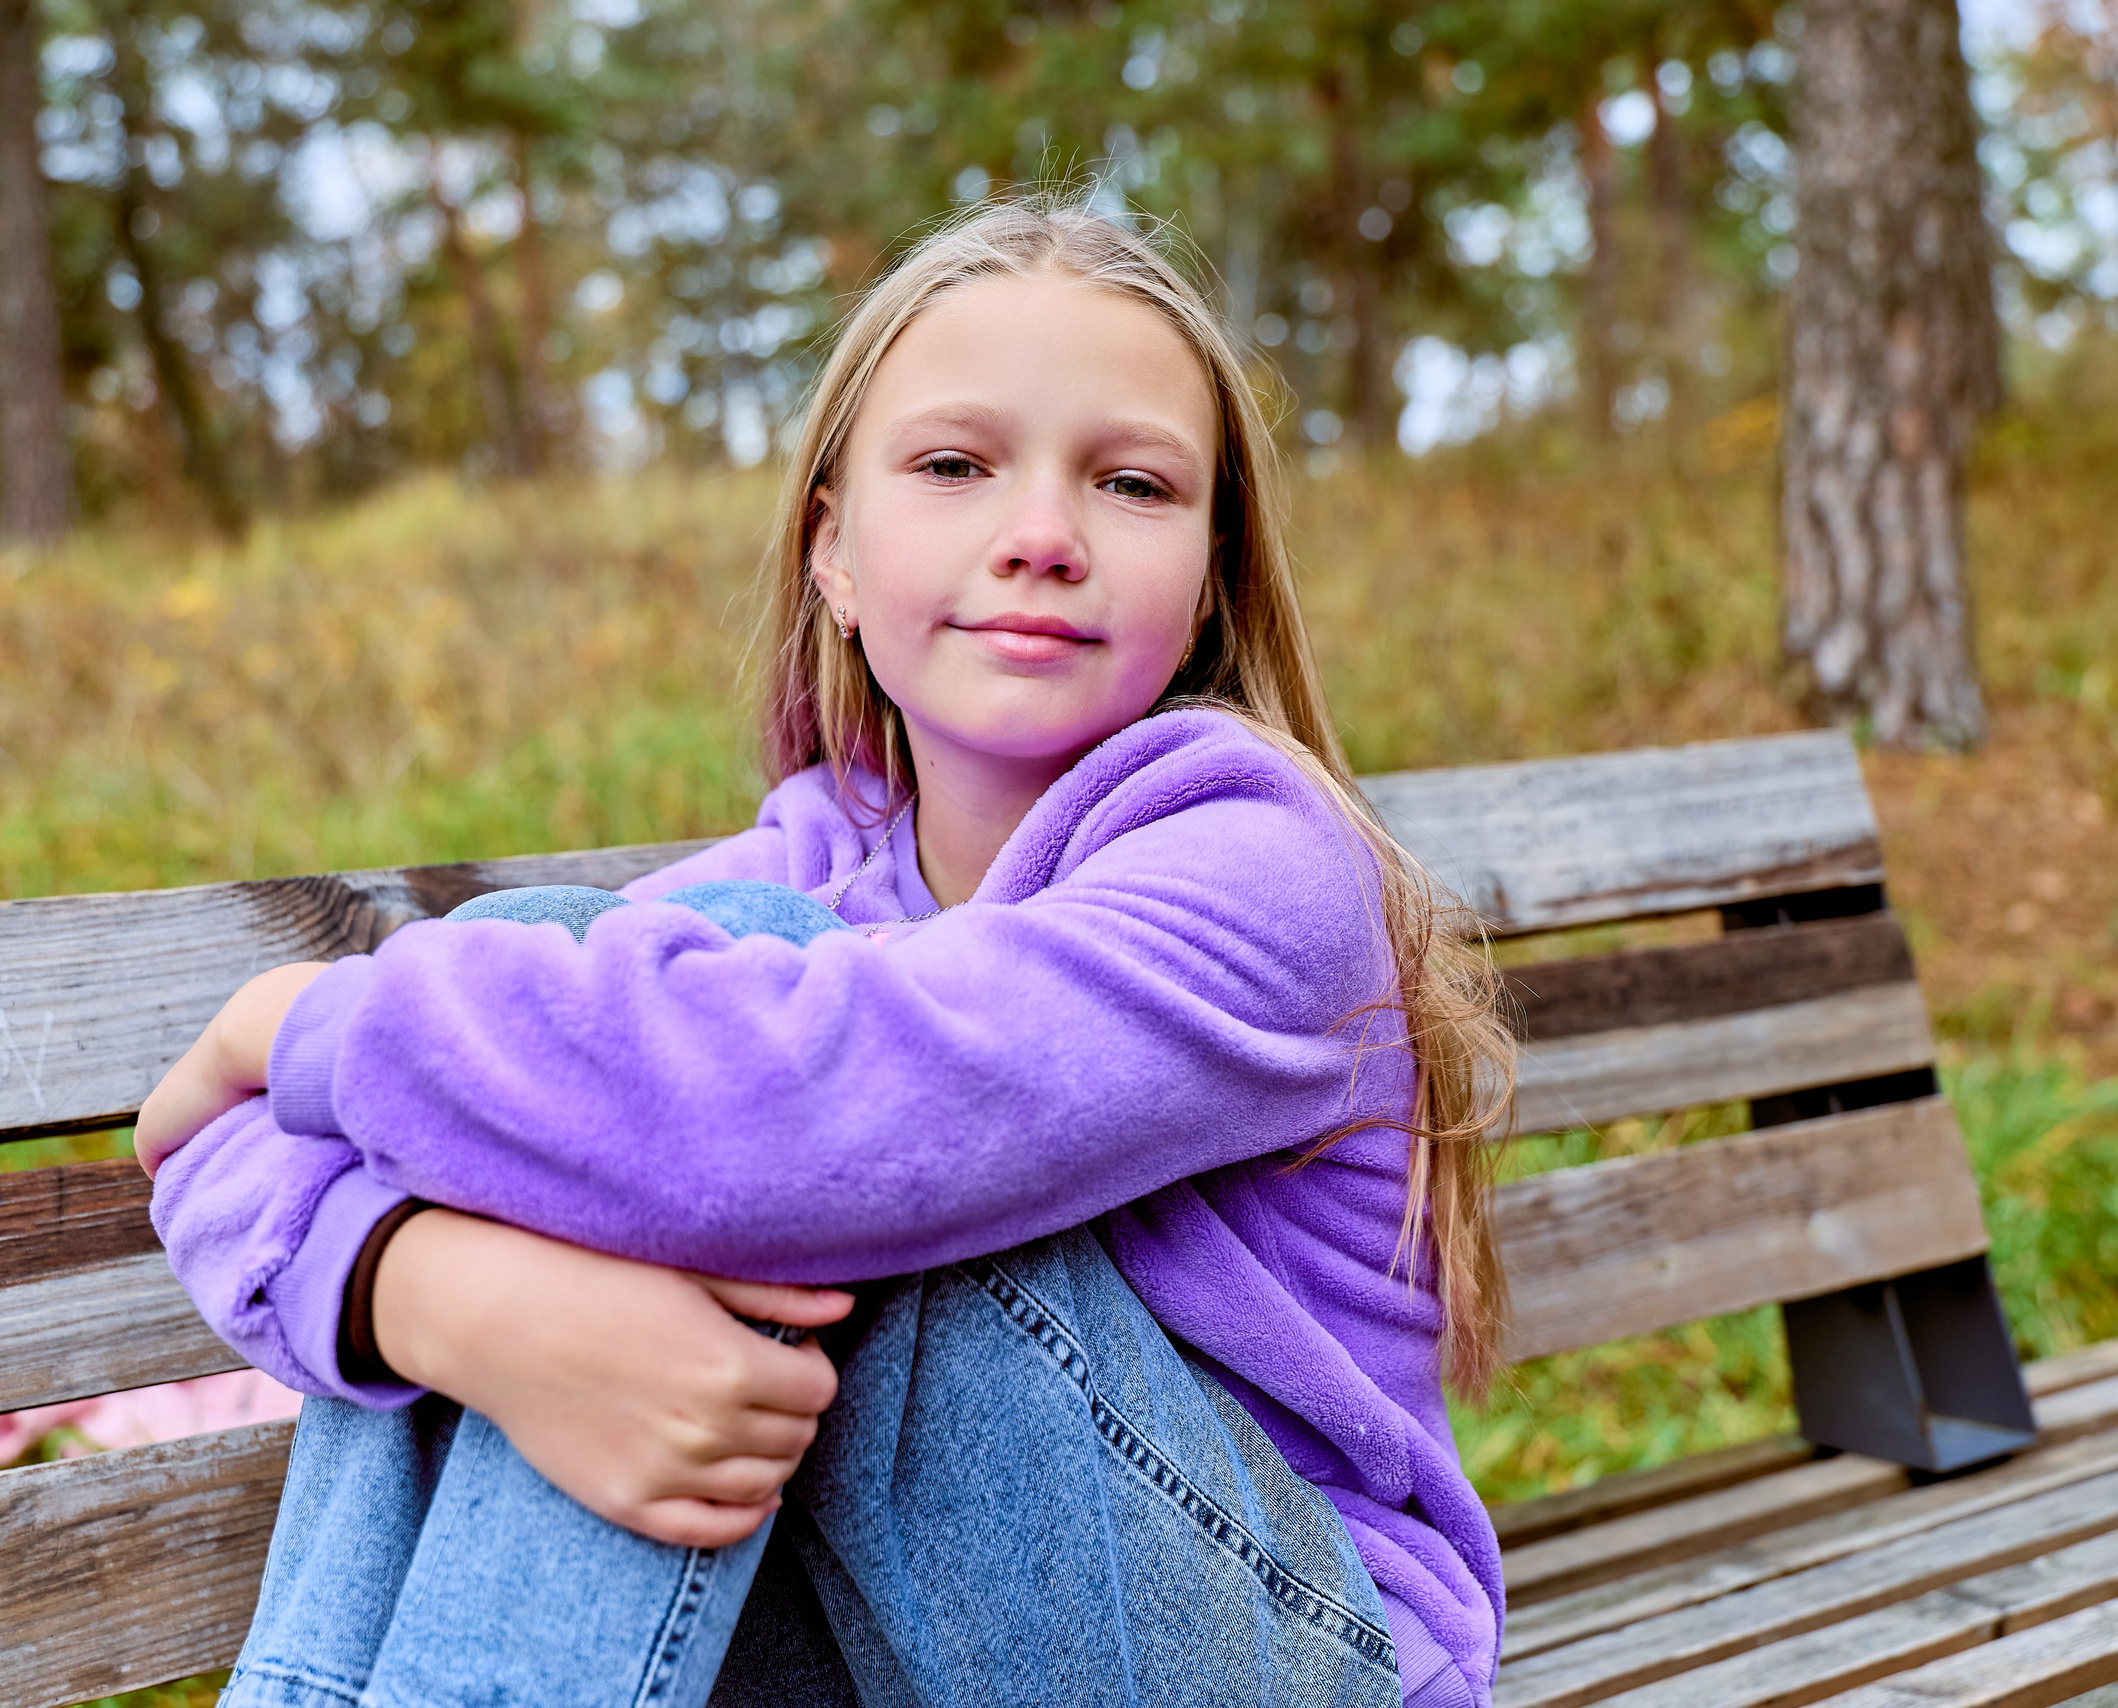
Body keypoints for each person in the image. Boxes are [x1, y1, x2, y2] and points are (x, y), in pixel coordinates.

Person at [139, 197, 1515, 1708]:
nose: (1041, 537)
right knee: (608, 992)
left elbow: (804, 1112)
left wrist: (295, 1026)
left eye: (1130, 484)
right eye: (952, 467)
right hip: (885, 1639)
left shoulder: (1261, 863)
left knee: (712, 1036)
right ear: (835, 558)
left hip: (1273, 1649)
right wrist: (447, 1305)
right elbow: (218, 1156)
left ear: (1204, 578)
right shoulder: (803, 868)